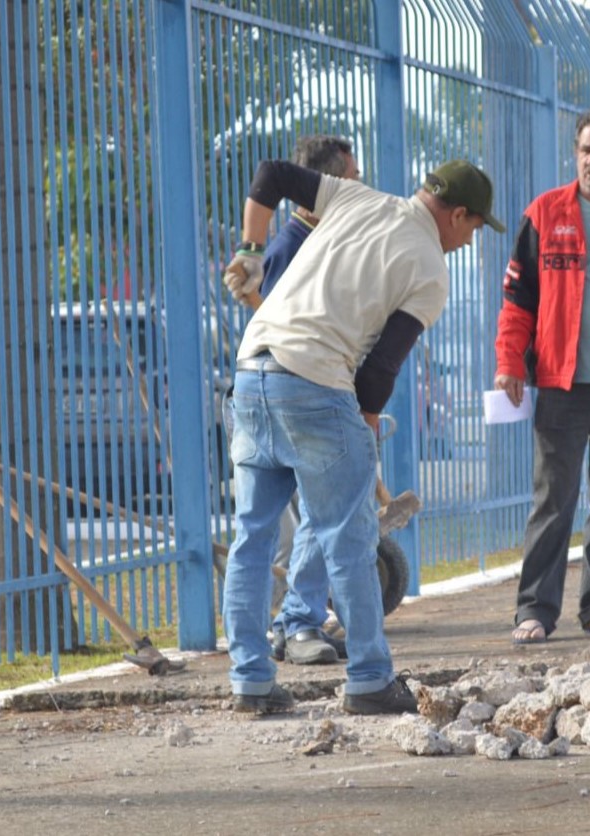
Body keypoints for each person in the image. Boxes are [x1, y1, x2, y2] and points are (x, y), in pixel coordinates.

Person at [221, 157, 504, 713]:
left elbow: (272, 176)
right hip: (316, 383)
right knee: (348, 539)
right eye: (473, 229)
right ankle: (371, 679)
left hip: (252, 373)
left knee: (252, 537)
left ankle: (250, 682)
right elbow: (379, 371)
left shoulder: (354, 197)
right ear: (458, 215)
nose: (469, 242)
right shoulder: (429, 268)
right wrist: (365, 435)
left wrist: (251, 251)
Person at [493, 106, 590, 645]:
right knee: (553, 499)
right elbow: (517, 300)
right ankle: (534, 608)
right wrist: (510, 362)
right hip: (563, 383)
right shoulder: (545, 213)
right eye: (586, 150)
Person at [226, 134, 364, 667]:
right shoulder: (294, 247)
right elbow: (280, 328)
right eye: (349, 180)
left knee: (269, 528)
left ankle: (259, 656)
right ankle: (298, 621)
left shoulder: (318, 240)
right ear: (323, 188)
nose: (357, 189)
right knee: (309, 517)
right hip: (291, 392)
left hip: (292, 389)